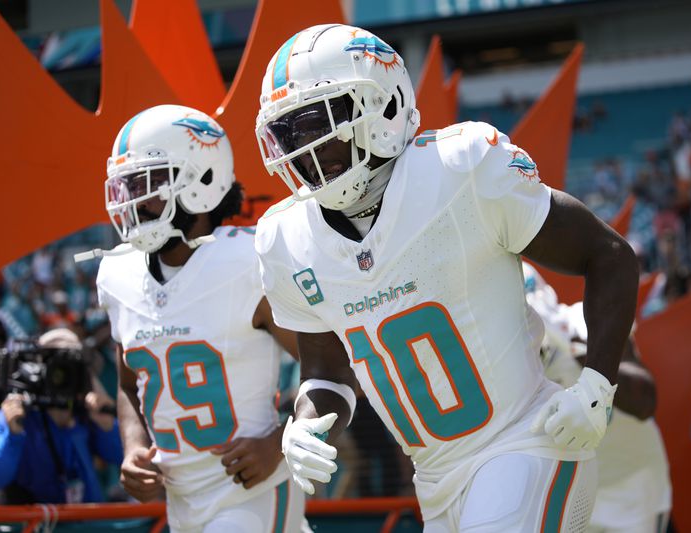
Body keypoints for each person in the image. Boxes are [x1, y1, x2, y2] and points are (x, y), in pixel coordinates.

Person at [253, 24, 639, 532]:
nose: (304, 149)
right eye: (289, 133)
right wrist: (303, 422)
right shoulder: (286, 239)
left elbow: (608, 254)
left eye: (318, 123)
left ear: (382, 107)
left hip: (525, 441)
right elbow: (327, 371)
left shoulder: (461, 169)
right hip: (434, 480)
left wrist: (597, 385)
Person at [93, 104, 306, 532]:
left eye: (148, 186)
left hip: (254, 492)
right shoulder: (118, 274)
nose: (135, 203)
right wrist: (134, 446)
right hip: (181, 501)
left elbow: (338, 365)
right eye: (127, 187)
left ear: (203, 181)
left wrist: (282, 442)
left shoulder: (249, 261)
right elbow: (128, 380)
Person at [524, 263, 672, 533]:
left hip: (633, 486)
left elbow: (645, 401)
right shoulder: (507, 366)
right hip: (572, 497)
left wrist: (589, 358)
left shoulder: (581, 321)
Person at [0, 328, 122, 504]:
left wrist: (108, 426)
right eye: (56, 365)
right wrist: (13, 435)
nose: (64, 374)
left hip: (87, 525)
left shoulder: (87, 414)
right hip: (36, 526)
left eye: (73, 366)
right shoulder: (14, 415)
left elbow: (121, 457)